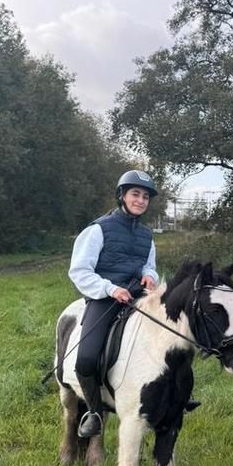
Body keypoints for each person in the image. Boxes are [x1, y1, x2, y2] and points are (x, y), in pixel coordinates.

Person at [68, 169, 159, 436]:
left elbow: (150, 266)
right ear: (122, 196)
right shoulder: (98, 229)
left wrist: (149, 277)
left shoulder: (146, 235)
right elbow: (80, 270)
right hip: (106, 298)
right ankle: (94, 412)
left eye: (145, 197)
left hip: (139, 297)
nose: (141, 200)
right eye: (135, 194)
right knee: (86, 358)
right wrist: (110, 288)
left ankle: (170, 395)